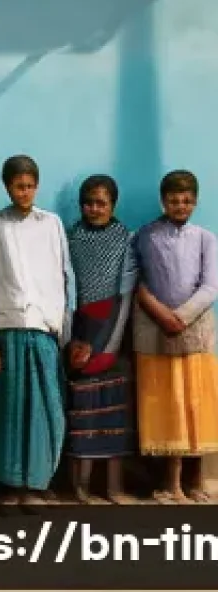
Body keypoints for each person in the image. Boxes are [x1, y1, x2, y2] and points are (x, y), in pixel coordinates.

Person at [0, 155, 74, 505]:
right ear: (7, 186)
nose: (25, 192)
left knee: (47, 406)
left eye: (30, 185)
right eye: (18, 186)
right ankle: (12, 485)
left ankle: (38, 482)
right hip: (9, 327)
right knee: (11, 407)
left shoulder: (51, 224)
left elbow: (65, 276)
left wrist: (63, 328)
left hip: (44, 329)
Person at [132, 170, 218, 503]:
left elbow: (211, 285)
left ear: (195, 201)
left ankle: (196, 482)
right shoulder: (145, 236)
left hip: (195, 333)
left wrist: (181, 317)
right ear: (162, 200)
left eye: (186, 200)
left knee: (197, 405)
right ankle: (171, 483)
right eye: (173, 200)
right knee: (169, 407)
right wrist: (161, 314)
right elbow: (136, 282)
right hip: (156, 333)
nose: (180, 206)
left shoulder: (205, 238)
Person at [65, 175, 138, 504]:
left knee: (113, 408)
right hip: (78, 328)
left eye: (101, 203)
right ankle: (79, 487)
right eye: (88, 202)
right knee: (82, 409)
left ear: (113, 205)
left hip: (113, 328)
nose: (94, 208)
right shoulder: (70, 237)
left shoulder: (126, 239)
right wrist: (73, 340)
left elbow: (125, 293)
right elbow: (64, 287)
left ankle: (113, 488)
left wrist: (106, 340)